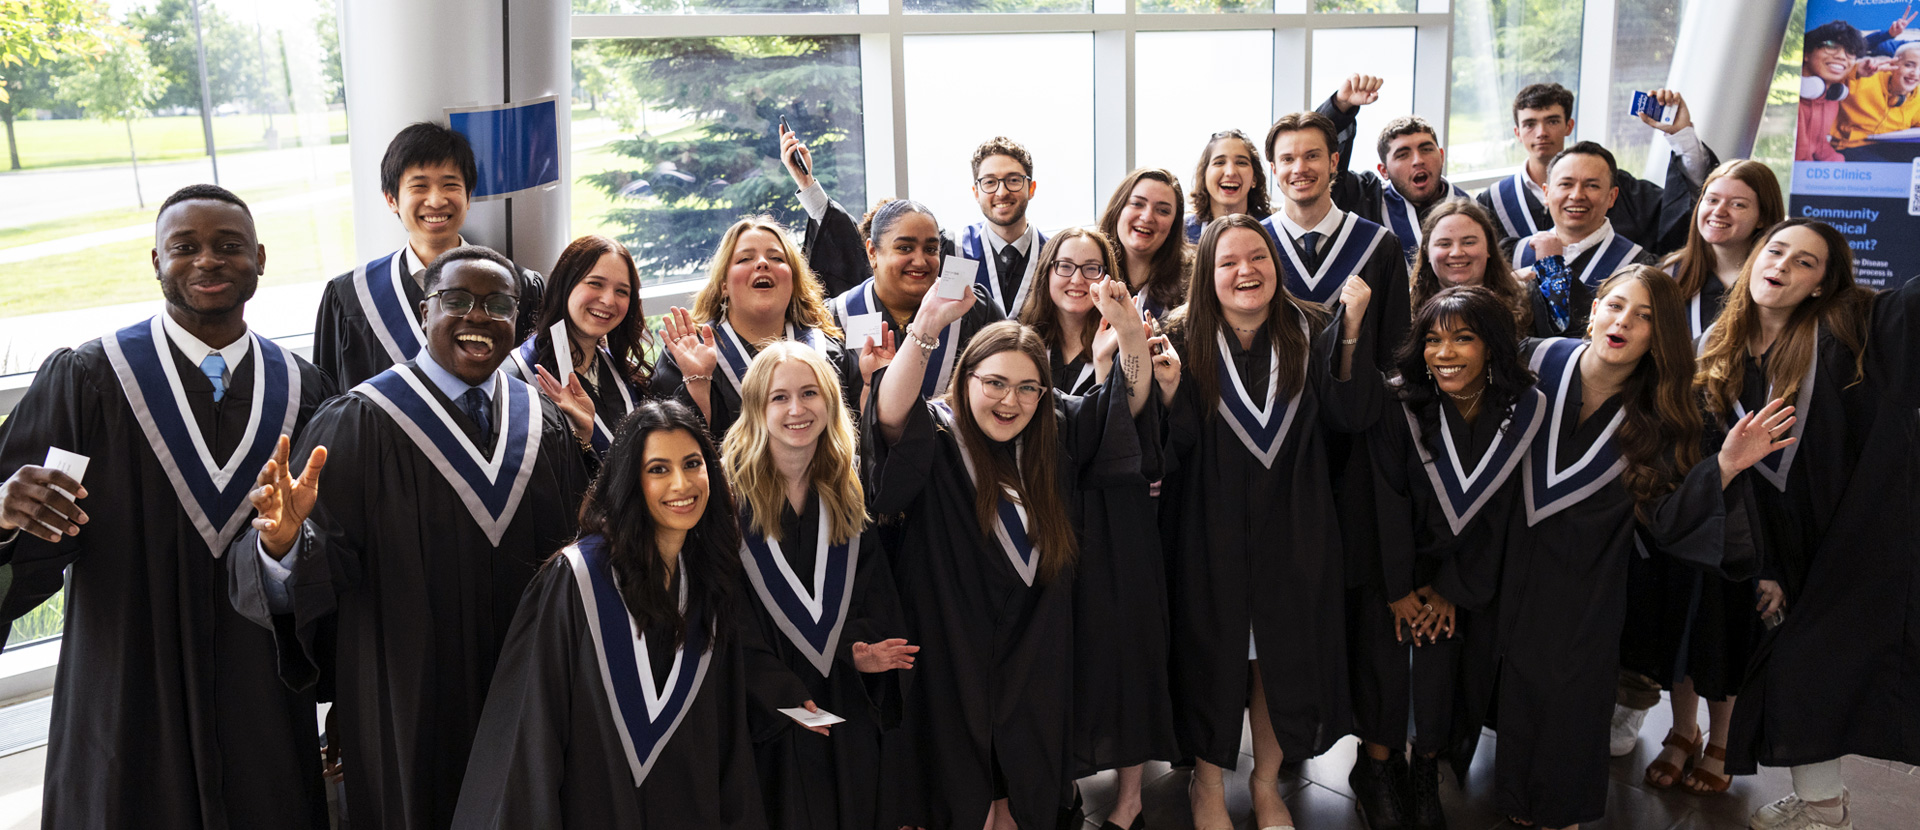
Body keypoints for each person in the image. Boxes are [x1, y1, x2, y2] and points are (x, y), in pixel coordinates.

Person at [0, 185, 333, 829]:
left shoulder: (305, 390)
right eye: (184, 247)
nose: (208, 260)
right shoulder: (91, 379)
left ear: (260, 259)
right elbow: (26, 528)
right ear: (156, 261)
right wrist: (2, 516)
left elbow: (334, 548)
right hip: (126, 680)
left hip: (259, 689)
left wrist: (291, 550)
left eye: (228, 245)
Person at [229, 245, 594, 830]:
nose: (478, 317)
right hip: (407, 700)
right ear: (426, 312)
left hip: (527, 687)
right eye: (457, 300)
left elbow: (576, 560)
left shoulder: (541, 421)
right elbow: (319, 568)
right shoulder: (361, 421)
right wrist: (284, 546)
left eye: (498, 304)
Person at [1493, 266, 1788, 830]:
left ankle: (1560, 809)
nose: (1624, 321)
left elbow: (1668, 521)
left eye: (1645, 316)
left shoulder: (1661, 413)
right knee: (1516, 680)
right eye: (1615, 305)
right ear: (1594, 310)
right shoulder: (1536, 359)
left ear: (1661, 335)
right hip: (1512, 556)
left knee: (1574, 691)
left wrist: (1726, 465)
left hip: (1590, 574)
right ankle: (1515, 796)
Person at [867, 277, 1162, 830]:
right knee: (962, 788)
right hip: (951, 641)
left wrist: (1130, 337)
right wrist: (926, 326)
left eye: (1029, 388)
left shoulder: (1054, 430)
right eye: (995, 383)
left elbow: (1122, 409)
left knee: (1024, 791)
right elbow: (888, 416)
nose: (1011, 401)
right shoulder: (938, 434)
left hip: (1036, 643)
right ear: (966, 379)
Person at [451, 399, 767, 827]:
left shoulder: (708, 584)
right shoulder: (578, 581)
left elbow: (727, 745)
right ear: (630, 480)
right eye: (658, 469)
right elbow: (531, 737)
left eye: (693, 464)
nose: (681, 483)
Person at [1701, 220, 1920, 830]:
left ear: (1823, 284)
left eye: (1805, 262)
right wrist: (1764, 565)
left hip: (1856, 541)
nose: (1783, 265)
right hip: (1777, 546)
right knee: (1797, 669)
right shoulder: (1716, 351)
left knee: (1810, 667)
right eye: (1776, 251)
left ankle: (1824, 812)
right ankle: (1823, 804)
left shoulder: (1850, 332)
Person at [1162, 215, 1379, 830]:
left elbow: (1350, 418)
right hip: (1208, 527)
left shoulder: (1309, 328)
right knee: (1212, 654)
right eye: (1228, 261)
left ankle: (1265, 783)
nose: (1246, 271)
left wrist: (1352, 333)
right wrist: (1168, 391)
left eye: (1257, 256)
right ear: (1207, 274)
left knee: (1279, 659)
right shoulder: (1179, 336)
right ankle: (1207, 785)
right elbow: (1168, 446)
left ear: (1275, 263)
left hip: (1295, 524)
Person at [1353, 286, 1542, 830]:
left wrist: (1450, 589)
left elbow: (1504, 513)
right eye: (1433, 340)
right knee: (1386, 662)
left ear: (1492, 346)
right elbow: (1384, 500)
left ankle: (1425, 769)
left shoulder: (1519, 411)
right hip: (1395, 571)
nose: (1445, 353)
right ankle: (1376, 769)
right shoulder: (1400, 404)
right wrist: (1399, 590)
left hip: (1462, 578)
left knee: (1444, 670)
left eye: (1463, 338)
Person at [1017, 227, 1180, 830]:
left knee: (1123, 650)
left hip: (1115, 517)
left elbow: (1137, 411)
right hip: (1045, 517)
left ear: (1110, 278)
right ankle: (1060, 782)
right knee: (1057, 654)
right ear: (1046, 273)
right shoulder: (1023, 342)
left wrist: (1125, 340)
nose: (1076, 278)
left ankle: (1130, 798)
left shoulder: (1131, 333)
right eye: (1064, 265)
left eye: (1091, 267)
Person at [721, 342, 914, 830]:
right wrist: (776, 687)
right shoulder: (726, 503)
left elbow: (871, 591)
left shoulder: (846, 493)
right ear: (756, 408)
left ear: (830, 402)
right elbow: (724, 617)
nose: (797, 409)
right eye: (779, 397)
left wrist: (857, 648)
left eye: (809, 393)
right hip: (765, 710)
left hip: (840, 695)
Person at [311, 122, 547, 389]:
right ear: (391, 200)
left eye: (450, 185)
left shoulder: (519, 286)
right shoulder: (351, 297)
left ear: (468, 196)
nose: (436, 201)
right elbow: (329, 398)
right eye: (419, 186)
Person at [653, 217, 863, 440]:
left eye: (776, 258)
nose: (762, 263)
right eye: (745, 259)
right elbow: (670, 444)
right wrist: (697, 383)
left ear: (793, 281)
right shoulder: (688, 353)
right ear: (724, 286)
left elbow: (862, 437)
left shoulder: (829, 351)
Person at [1476, 83, 1714, 258]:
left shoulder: (1618, 186)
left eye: (1552, 121)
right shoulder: (1494, 202)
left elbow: (1678, 214)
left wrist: (1681, 135)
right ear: (1517, 133)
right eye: (1530, 124)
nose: (1541, 133)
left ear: (1569, 126)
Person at [1260, 110, 1410, 371]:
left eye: (1312, 156)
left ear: (1333, 161)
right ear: (1274, 169)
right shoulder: (1255, 247)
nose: (1299, 168)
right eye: (1288, 159)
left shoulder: (1380, 246)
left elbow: (1394, 351)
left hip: (1359, 394)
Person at [828, 199, 1005, 402]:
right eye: (905, 248)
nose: (920, 261)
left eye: (931, 249)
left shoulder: (975, 309)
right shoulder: (836, 318)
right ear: (872, 252)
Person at [503, 234, 655, 456]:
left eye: (622, 291)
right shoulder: (515, 379)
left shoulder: (625, 372)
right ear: (564, 285)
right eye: (595, 283)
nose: (608, 300)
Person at [1313, 76, 1473, 267]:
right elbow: (1321, 163)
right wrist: (1340, 107)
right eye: (1403, 155)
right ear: (1384, 171)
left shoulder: (1474, 210)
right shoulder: (1365, 200)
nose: (1418, 160)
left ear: (1441, 156)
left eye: (1426, 149)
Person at [1511, 142, 1661, 338]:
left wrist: (1551, 268)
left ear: (1612, 196)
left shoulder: (1635, 264)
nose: (1577, 195)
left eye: (1592, 186)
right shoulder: (1517, 253)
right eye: (1566, 184)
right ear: (1546, 193)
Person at [1660, 160, 1786, 340]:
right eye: (1712, 200)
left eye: (1737, 204)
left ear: (1763, 217)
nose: (1719, 211)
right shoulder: (1669, 274)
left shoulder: (1777, 280)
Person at [951, 137, 1048, 315]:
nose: (1002, 192)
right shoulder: (954, 251)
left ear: (1031, 188)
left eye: (1013, 180)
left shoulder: (1052, 256)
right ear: (976, 193)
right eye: (990, 182)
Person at [1409, 200, 1534, 332]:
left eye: (1469, 242)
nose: (1456, 253)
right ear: (1427, 252)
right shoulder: (1406, 311)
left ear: (1489, 248)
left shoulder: (1527, 302)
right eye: (1444, 244)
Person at [1099, 167, 1191, 318]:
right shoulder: (1086, 273)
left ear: (1173, 226)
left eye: (1163, 210)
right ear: (1117, 210)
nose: (1147, 217)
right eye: (1137, 204)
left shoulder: (1192, 283)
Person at [1797, 22, 1872, 163]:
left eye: (1850, 51)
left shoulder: (1830, 98)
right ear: (1806, 53)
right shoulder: (1794, 102)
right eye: (1831, 46)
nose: (1842, 56)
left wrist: (1840, 166)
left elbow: (1820, 146)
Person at [1833, 42, 1920, 162]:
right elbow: (1831, 78)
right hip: (1852, 146)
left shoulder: (1917, 94)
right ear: (1893, 64)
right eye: (1909, 65)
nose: (1915, 73)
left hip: (1891, 147)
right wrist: (1856, 69)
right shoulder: (1864, 77)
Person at [1185, 129, 1274, 243]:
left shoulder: (1273, 232)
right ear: (1204, 175)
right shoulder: (1183, 235)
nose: (1230, 172)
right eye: (1219, 162)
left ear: (1254, 179)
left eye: (1241, 163)